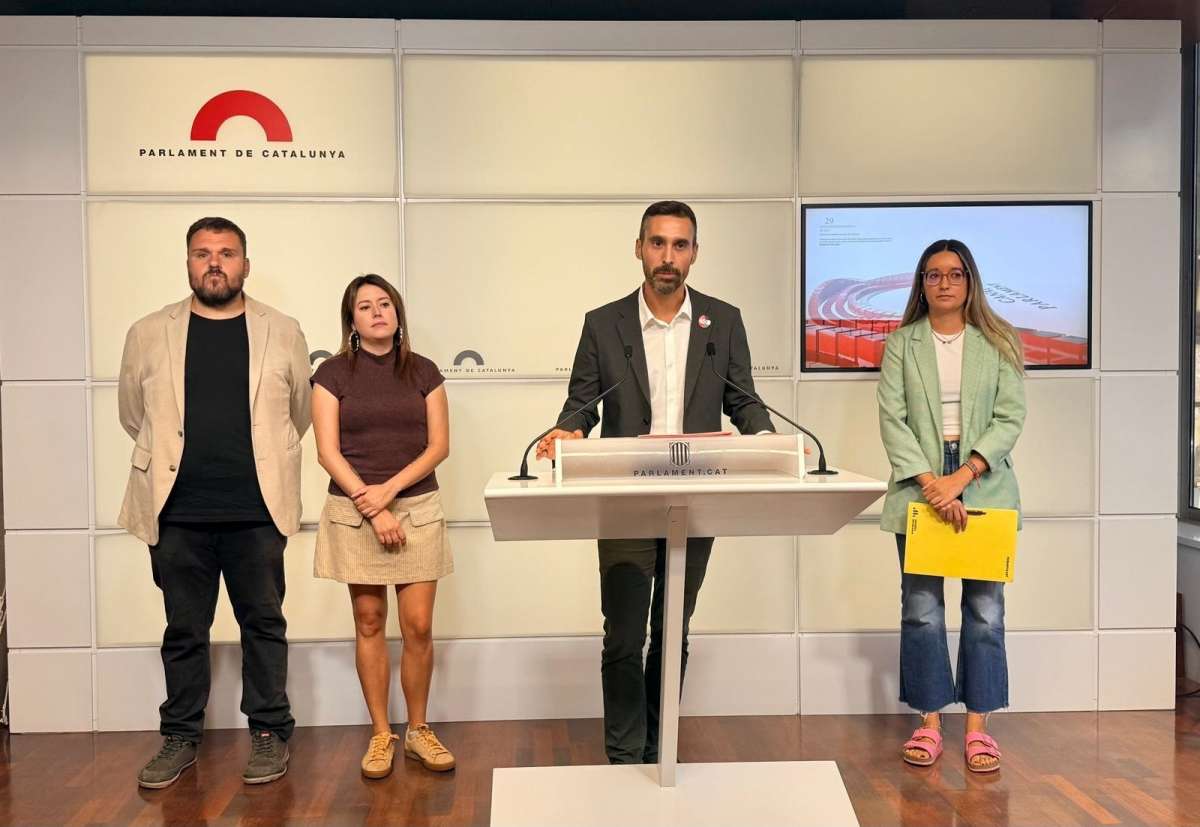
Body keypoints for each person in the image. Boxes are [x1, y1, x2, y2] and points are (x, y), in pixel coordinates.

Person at [536, 200, 774, 765]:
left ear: (695, 253)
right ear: (639, 248)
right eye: (658, 243)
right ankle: (624, 757)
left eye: (680, 245)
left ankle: (658, 747)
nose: (668, 256)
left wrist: (769, 440)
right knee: (623, 633)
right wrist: (569, 430)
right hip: (625, 499)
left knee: (672, 629)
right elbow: (582, 403)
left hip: (696, 498)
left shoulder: (723, 320)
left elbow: (742, 398)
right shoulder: (603, 323)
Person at [119, 217, 312, 788]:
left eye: (226, 253)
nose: (214, 263)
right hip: (177, 512)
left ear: (245, 265)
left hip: (257, 510)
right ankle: (179, 737)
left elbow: (297, 413)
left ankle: (270, 732)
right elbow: (134, 415)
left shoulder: (283, 330)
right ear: (187, 263)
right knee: (183, 630)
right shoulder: (148, 332)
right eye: (202, 253)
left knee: (264, 625)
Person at [876, 238, 1026, 773]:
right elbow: (892, 420)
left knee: (985, 611)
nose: (944, 283)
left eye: (955, 274)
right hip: (920, 480)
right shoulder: (902, 344)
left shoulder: (999, 340)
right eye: (934, 274)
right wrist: (931, 483)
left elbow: (1010, 417)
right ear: (921, 284)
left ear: (970, 282)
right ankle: (930, 722)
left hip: (983, 477)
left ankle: (979, 727)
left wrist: (961, 476)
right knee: (921, 610)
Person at [310, 274, 455, 779]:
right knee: (369, 621)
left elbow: (438, 447)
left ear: (397, 313)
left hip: (415, 507)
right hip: (356, 510)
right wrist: (371, 507)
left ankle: (418, 730)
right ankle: (380, 733)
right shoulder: (331, 374)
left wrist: (387, 494)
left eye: (385, 304)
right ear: (351, 320)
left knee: (418, 626)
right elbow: (327, 452)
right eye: (365, 306)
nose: (377, 312)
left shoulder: (424, 371)